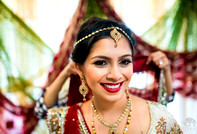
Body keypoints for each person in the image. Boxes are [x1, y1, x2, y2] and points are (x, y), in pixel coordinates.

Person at [45, 17, 182, 134]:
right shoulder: (61, 121)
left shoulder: (161, 118)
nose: (116, 75)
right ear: (79, 69)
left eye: (124, 62)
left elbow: (167, 95)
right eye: (101, 63)